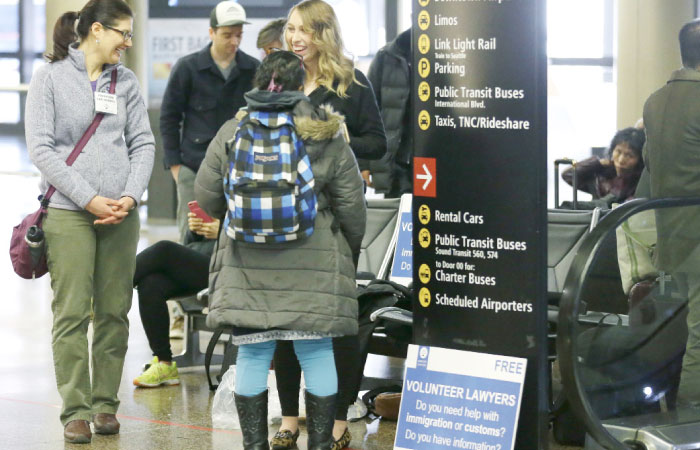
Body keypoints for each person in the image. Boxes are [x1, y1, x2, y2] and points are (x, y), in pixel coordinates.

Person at [195, 50, 365, 450]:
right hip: (314, 261)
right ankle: (320, 444)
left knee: (253, 355)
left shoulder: (232, 132)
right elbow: (352, 207)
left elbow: (206, 197)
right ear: (300, 84)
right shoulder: (325, 132)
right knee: (318, 351)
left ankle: (255, 445)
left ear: (259, 82)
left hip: (246, 266)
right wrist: (346, 254)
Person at [24, 0, 154, 443]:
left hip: (120, 213)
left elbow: (143, 143)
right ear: (96, 30)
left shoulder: (127, 81)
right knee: (73, 312)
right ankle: (75, 410)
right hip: (68, 213)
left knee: (115, 311)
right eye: (123, 33)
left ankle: (105, 406)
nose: (128, 42)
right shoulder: (51, 79)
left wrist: (129, 197)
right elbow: (41, 149)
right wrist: (90, 198)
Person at [273, 2, 385, 448]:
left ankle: (337, 422)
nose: (295, 38)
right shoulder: (280, 78)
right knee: (285, 320)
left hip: (334, 217)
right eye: (290, 29)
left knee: (335, 320)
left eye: (304, 30)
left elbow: (378, 143)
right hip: (284, 215)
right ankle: (288, 419)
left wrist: (338, 139)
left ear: (324, 33)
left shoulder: (352, 84)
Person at [160, 0, 259, 243]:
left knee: (230, 238)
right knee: (191, 237)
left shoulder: (253, 69)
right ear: (211, 32)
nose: (234, 42)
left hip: (239, 170)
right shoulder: (187, 68)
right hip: (192, 167)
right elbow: (169, 118)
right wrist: (176, 167)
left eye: (239, 35)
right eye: (227, 35)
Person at [643, 19, 700, 406]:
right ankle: (688, 425)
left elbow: (651, 161)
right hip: (698, 239)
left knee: (690, 332)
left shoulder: (655, 100)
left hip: (672, 238)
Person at [132, 213, 220, 388]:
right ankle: (165, 364)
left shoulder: (250, 197)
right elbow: (190, 243)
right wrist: (196, 230)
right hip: (202, 261)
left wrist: (223, 231)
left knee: (164, 249)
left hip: (230, 266)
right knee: (151, 284)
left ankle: (102, 292)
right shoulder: (215, 197)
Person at [362, 27, 412, 197]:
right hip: (396, 165)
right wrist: (364, 163)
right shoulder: (387, 56)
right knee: (397, 218)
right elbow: (366, 114)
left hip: (433, 162)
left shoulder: (447, 54)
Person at [562, 127, 645, 207]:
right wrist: (596, 163)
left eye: (629, 155)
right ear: (612, 150)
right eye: (618, 152)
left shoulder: (641, 181)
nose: (621, 160)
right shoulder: (602, 173)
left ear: (640, 158)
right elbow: (568, 175)